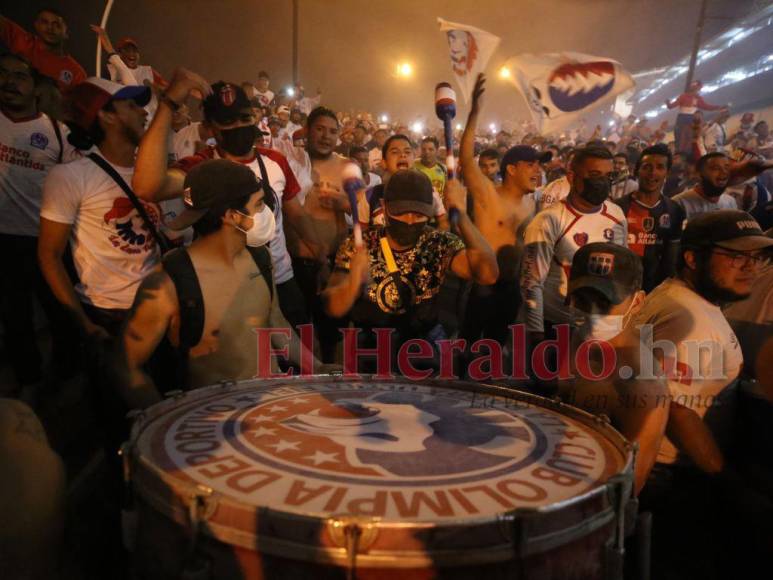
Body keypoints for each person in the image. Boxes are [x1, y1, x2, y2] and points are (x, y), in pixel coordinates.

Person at [117, 160, 327, 408]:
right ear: (231, 216)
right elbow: (127, 365)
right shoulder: (170, 283)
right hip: (216, 427)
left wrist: (318, 367)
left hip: (270, 411)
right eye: (258, 204)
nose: (266, 213)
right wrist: (165, 423)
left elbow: (274, 321)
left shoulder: (261, 258)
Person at [632, 210, 773, 579]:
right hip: (675, 479)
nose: (751, 268)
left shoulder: (688, 300)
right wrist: (729, 482)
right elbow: (677, 409)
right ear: (693, 258)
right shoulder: (686, 316)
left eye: (757, 258)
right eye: (737, 257)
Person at [131, 73, 321, 330]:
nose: (239, 127)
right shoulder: (200, 168)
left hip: (280, 280)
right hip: (227, 287)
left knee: (296, 359)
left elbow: (295, 214)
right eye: (227, 121)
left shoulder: (276, 161)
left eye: (245, 118)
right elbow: (148, 187)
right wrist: (169, 104)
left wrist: (319, 256)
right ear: (210, 128)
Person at [323, 171, 498, 370]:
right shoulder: (359, 245)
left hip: (424, 345)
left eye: (418, 213)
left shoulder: (438, 243)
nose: (409, 220)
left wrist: (462, 216)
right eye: (401, 211)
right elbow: (333, 308)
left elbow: (488, 274)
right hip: (372, 347)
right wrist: (353, 281)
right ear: (384, 206)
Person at [38, 77, 155, 340]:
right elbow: (50, 255)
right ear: (107, 116)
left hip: (157, 303)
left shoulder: (151, 173)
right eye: (132, 105)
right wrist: (83, 323)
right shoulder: (70, 176)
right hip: (106, 312)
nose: (144, 111)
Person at [0, 53, 79, 400]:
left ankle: (67, 373)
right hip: (4, 241)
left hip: (48, 241)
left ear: (34, 87)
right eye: (3, 74)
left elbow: (76, 185)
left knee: (61, 312)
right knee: (14, 317)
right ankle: (29, 378)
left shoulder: (58, 134)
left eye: (20, 76)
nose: (10, 82)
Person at [559, 243, 667, 494]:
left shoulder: (641, 383)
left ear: (638, 302)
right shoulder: (581, 338)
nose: (593, 313)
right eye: (583, 299)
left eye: (605, 301)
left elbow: (627, 490)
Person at [521, 146, 627, 370]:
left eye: (609, 176)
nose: (603, 183)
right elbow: (532, 282)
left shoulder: (616, 215)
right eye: (595, 176)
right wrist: (536, 333)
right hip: (558, 327)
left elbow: (621, 272)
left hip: (601, 326)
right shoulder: (548, 220)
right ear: (572, 177)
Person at [458, 74, 541, 347]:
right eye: (530, 165)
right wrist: (475, 112)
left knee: (494, 347)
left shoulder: (532, 202)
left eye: (538, 166)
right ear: (512, 169)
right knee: (468, 347)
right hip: (483, 286)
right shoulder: (487, 194)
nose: (537, 171)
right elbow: (467, 158)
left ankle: (485, 388)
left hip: (510, 289)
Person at [615, 144, 685, 292]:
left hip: (655, 291)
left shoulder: (674, 210)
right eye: (647, 167)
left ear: (667, 172)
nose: (652, 173)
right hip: (620, 287)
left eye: (660, 167)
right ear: (637, 170)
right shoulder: (618, 208)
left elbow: (671, 259)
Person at [367, 134, 448, 230]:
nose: (403, 155)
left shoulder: (430, 192)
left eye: (407, 152)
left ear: (413, 160)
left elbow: (444, 223)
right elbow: (362, 232)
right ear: (384, 163)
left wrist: (432, 242)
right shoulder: (370, 195)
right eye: (395, 152)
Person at [0, 8, 86, 91]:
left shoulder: (76, 72)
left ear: (67, 32)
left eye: (56, 25)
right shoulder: (23, 41)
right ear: (36, 25)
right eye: (44, 22)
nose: (50, 28)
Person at [665, 80, 727, 157]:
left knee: (690, 139)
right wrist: (668, 104)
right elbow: (671, 106)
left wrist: (718, 107)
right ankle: (680, 154)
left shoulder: (697, 99)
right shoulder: (683, 96)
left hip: (690, 119)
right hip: (683, 119)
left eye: (697, 87)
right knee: (681, 138)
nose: (696, 88)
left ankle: (687, 154)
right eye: (694, 86)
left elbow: (706, 106)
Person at [673, 152, 738, 219]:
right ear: (699, 174)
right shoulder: (678, 203)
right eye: (716, 168)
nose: (724, 172)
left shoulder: (730, 202)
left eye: (726, 168)